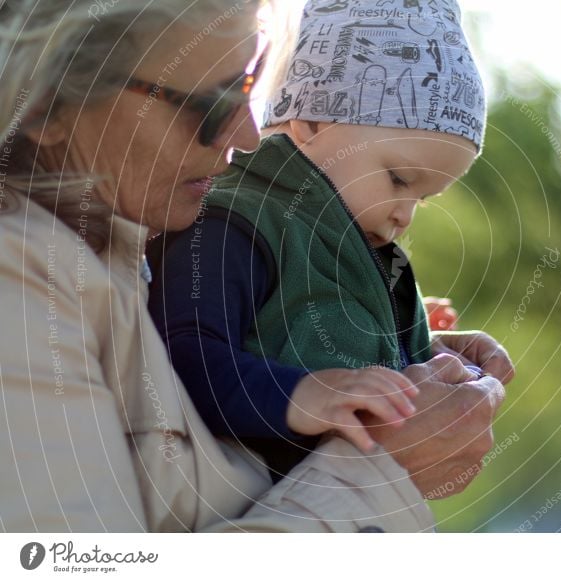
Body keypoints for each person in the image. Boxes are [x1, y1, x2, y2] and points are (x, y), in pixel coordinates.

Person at [0, 0, 509, 533]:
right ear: (51, 103)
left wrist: (407, 346)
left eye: (248, 87)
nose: (247, 135)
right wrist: (381, 473)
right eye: (210, 104)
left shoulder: (119, 259)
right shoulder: (23, 286)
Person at [148, 0, 510, 481]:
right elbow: (184, 352)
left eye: (424, 200)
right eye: (399, 180)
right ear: (314, 121)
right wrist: (303, 395)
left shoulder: (352, 248)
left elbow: (293, 338)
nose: (405, 214)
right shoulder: (235, 225)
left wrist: (435, 361)